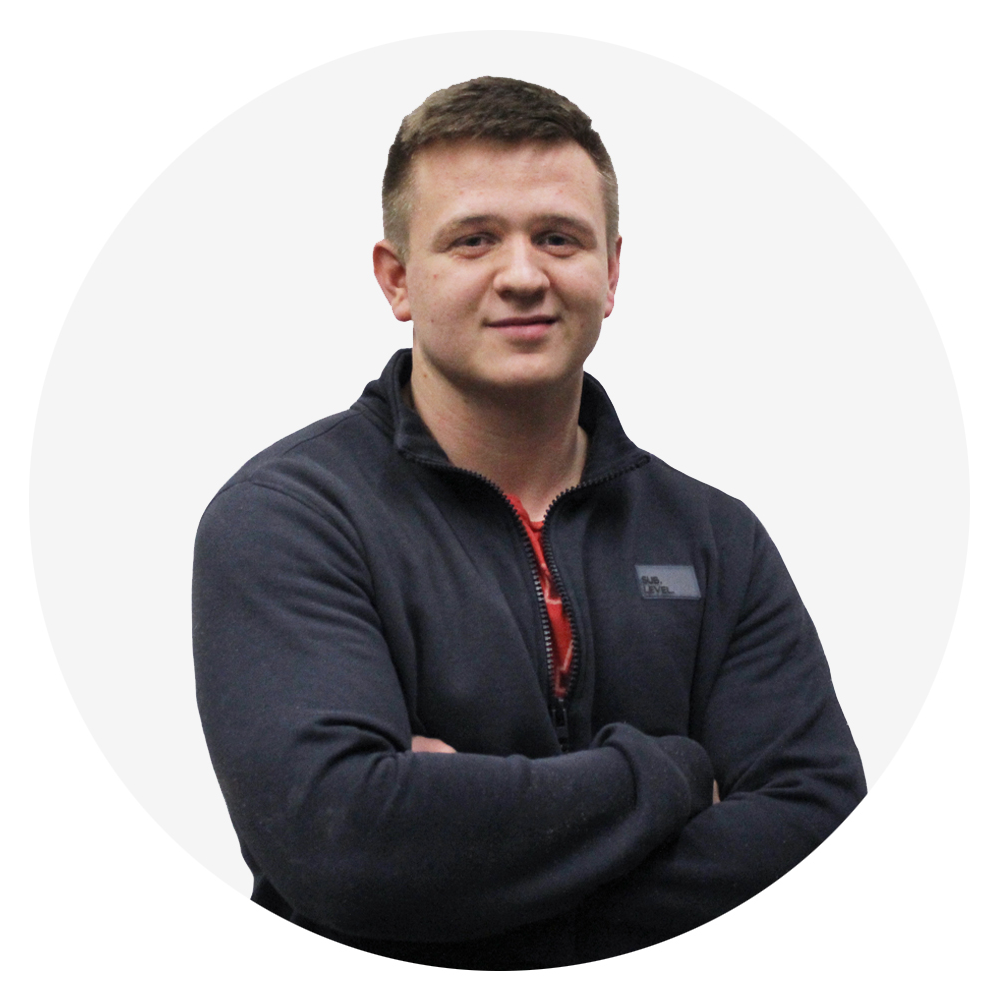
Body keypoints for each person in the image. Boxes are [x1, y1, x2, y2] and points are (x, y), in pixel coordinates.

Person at [192, 76, 866, 970]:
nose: (522, 275)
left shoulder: (716, 540)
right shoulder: (292, 519)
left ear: (611, 273)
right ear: (397, 279)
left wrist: (465, 882)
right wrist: (673, 773)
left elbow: (816, 830)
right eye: (473, 240)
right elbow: (343, 842)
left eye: (558, 238)